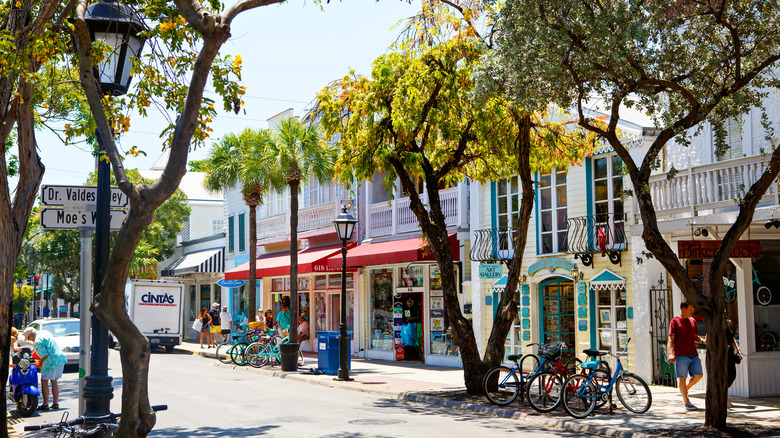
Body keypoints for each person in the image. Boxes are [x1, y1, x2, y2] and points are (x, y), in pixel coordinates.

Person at [668, 300, 705, 411]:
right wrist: (671, 353)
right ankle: (686, 402)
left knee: (699, 375)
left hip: (693, 354)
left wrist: (703, 341)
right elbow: (670, 339)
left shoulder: (693, 321)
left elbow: (695, 337)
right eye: (691, 309)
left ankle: (685, 389)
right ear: (683, 309)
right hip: (681, 355)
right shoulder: (675, 321)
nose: (693, 311)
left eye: (693, 309)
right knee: (682, 380)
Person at [27, 327, 67, 410]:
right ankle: (55, 403)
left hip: (51, 361)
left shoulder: (37, 341)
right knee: (54, 381)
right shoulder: (45, 332)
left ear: (31, 335)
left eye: (28, 338)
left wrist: (39, 362)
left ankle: (45, 404)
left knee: (44, 381)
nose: (29, 340)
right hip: (59, 358)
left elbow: (44, 355)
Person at [726, 318, 743, 408]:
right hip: (721, 354)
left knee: (732, 375)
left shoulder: (728, 322)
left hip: (730, 352)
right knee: (724, 376)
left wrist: (738, 349)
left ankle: (724, 396)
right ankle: (726, 400)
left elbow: (732, 338)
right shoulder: (715, 322)